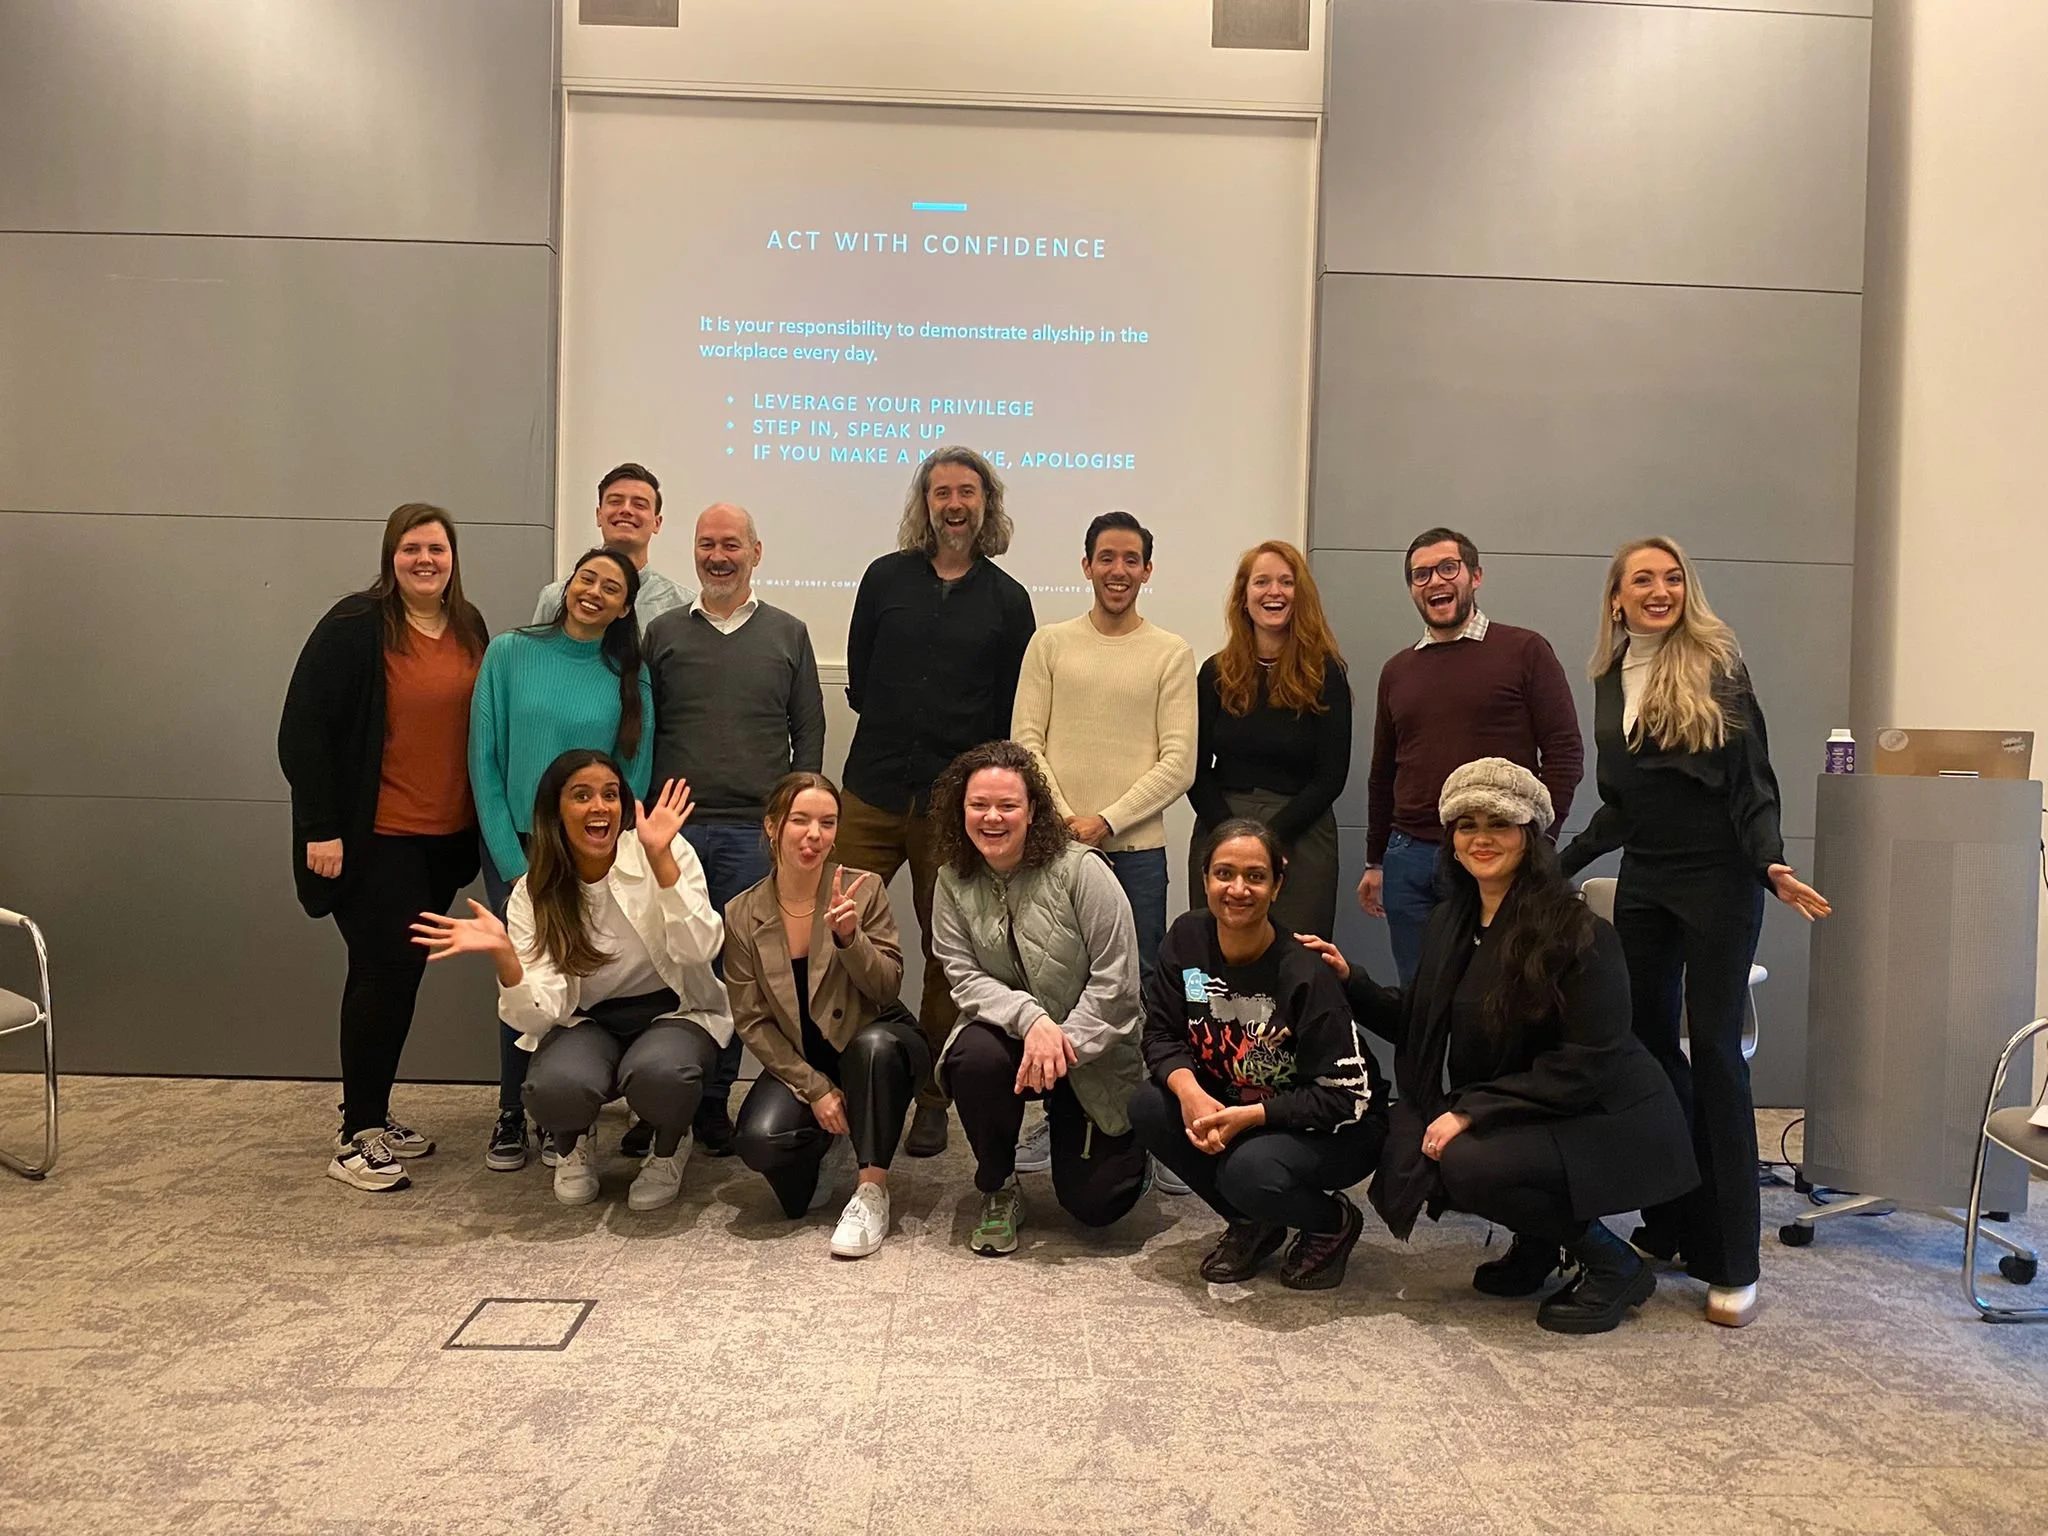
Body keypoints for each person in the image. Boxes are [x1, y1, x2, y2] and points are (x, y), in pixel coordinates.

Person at [1310, 758, 1698, 1334]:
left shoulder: (1580, 933)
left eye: (1499, 823)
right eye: (1466, 824)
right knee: (1414, 1139)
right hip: (1531, 1105)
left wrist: (1470, 1112)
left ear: (1531, 835)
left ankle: (1612, 1263)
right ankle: (1538, 1244)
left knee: (1464, 1161)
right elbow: (1421, 1019)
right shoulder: (1452, 919)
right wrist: (1353, 983)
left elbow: (1588, 1061)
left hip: (1604, 1115)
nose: (1480, 838)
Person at [1559, 536, 1830, 1329]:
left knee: (1715, 1055)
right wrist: (1559, 860)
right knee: (1641, 1049)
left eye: (1672, 577)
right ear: (1616, 598)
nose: (1660, 589)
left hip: (1720, 880)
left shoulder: (1717, 664)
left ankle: (1733, 1258)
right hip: (1646, 879)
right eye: (1643, 579)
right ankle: (1677, 1221)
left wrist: (1771, 864)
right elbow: (1623, 803)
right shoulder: (1609, 678)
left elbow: (1753, 783)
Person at [279, 504, 489, 1192]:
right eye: (411, 549)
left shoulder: (467, 626)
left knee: (400, 977)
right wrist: (320, 828)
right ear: (390, 556)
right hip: (374, 840)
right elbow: (303, 731)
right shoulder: (354, 627)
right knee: (379, 975)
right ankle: (356, 1135)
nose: (425, 560)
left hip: (440, 841)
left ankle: (373, 1111)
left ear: (453, 557)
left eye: (436, 548)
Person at [412, 754, 729, 1210]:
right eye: (581, 796)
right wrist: (506, 959)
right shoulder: (535, 891)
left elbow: (701, 950)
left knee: (664, 1077)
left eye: (610, 794)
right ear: (555, 811)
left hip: (670, 1013)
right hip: (587, 1022)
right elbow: (538, 1016)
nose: (599, 806)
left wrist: (661, 860)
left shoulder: (665, 849)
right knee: (553, 1088)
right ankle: (572, 1139)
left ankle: (669, 1145)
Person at [839, 447, 1037, 1158]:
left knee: (950, 955)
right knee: (840, 936)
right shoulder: (883, 578)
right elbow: (859, 681)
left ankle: (928, 1095)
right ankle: (847, 1084)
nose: (954, 504)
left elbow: (1013, 708)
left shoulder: (1010, 601)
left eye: (967, 492)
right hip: (870, 790)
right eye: (941, 491)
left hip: (955, 807)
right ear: (923, 503)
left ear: (988, 504)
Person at [1010, 510, 1197, 1187]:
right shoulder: (1051, 644)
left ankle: (1151, 1126)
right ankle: (1057, 1117)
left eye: (1131, 560)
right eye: (1106, 558)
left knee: (1142, 987)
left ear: (1148, 570)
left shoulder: (1170, 652)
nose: (1118, 571)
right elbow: (1025, 741)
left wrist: (1107, 822)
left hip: (1136, 852)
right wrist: (1065, 822)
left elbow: (1179, 762)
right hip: (1055, 851)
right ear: (1085, 565)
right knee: (1056, 986)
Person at [639, 503, 826, 1159]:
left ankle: (713, 1106)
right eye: (706, 544)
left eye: (731, 545)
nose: (718, 556)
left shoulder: (788, 632)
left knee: (739, 976)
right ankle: (660, 1101)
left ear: (756, 551)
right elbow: (641, 731)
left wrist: (797, 820)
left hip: (755, 835)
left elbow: (809, 731)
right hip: (675, 833)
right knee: (668, 967)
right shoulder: (661, 633)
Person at [1131, 820, 1388, 1290]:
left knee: (1249, 1172)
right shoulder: (1187, 938)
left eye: (1255, 876)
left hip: (1338, 1125)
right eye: (1224, 874)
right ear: (1205, 877)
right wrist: (1189, 1092)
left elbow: (1346, 1096)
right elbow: (1162, 1034)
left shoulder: (1305, 973)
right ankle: (1254, 1221)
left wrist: (1251, 1116)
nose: (1238, 889)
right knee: (1149, 1105)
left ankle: (1332, 1222)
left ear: (1277, 886)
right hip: (1236, 1097)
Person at [470, 546, 656, 1171]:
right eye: (587, 579)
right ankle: (508, 1111)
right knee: (521, 974)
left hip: (590, 854)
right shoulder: (509, 652)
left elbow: (632, 777)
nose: (594, 592)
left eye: (611, 587)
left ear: (626, 606)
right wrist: (511, 864)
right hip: (518, 844)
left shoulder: (630, 673)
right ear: (567, 585)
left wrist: (604, 856)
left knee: (574, 980)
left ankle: (559, 1118)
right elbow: (485, 762)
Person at [930, 741, 1150, 1255]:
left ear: (1032, 811)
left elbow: (1116, 983)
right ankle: (999, 1185)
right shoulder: (950, 880)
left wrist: (1061, 1041)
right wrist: (1031, 1021)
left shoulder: (1083, 870)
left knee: (1098, 1206)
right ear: (960, 809)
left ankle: (1131, 1145)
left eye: (1008, 805)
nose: (992, 817)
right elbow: (962, 975)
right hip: (1013, 1039)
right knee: (971, 1058)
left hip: (1092, 1046)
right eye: (978, 804)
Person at [1359, 528, 1585, 987]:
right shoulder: (1397, 670)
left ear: (1475, 576)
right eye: (1420, 574)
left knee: (1500, 994)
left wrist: (1540, 839)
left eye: (1448, 568)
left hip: (1495, 852)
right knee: (1421, 996)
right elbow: (1383, 772)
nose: (1435, 582)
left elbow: (1564, 751)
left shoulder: (1525, 650)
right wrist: (1376, 860)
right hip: (1409, 860)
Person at [725, 773, 931, 1258]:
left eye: (827, 822)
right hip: (804, 1058)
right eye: (800, 820)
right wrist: (815, 1089)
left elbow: (885, 987)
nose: (814, 834)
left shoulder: (863, 889)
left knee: (872, 1049)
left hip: (877, 1041)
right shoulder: (740, 913)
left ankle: (872, 1188)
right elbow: (751, 1020)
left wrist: (849, 939)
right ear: (773, 826)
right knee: (761, 1145)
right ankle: (833, 1139)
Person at [1189, 540, 1351, 940]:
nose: (1274, 592)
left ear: (1302, 595)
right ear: (1244, 597)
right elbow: (1193, 769)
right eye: (1261, 582)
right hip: (1222, 822)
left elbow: (1332, 776)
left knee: (1299, 957)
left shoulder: (1325, 674)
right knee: (1212, 954)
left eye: (1286, 582)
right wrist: (1232, 839)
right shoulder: (1215, 673)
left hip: (1301, 834)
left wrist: (1267, 840)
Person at [534, 462, 692, 628]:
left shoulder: (683, 606)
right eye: (615, 501)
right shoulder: (556, 598)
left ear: (657, 523)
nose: (626, 510)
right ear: (599, 515)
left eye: (639, 504)